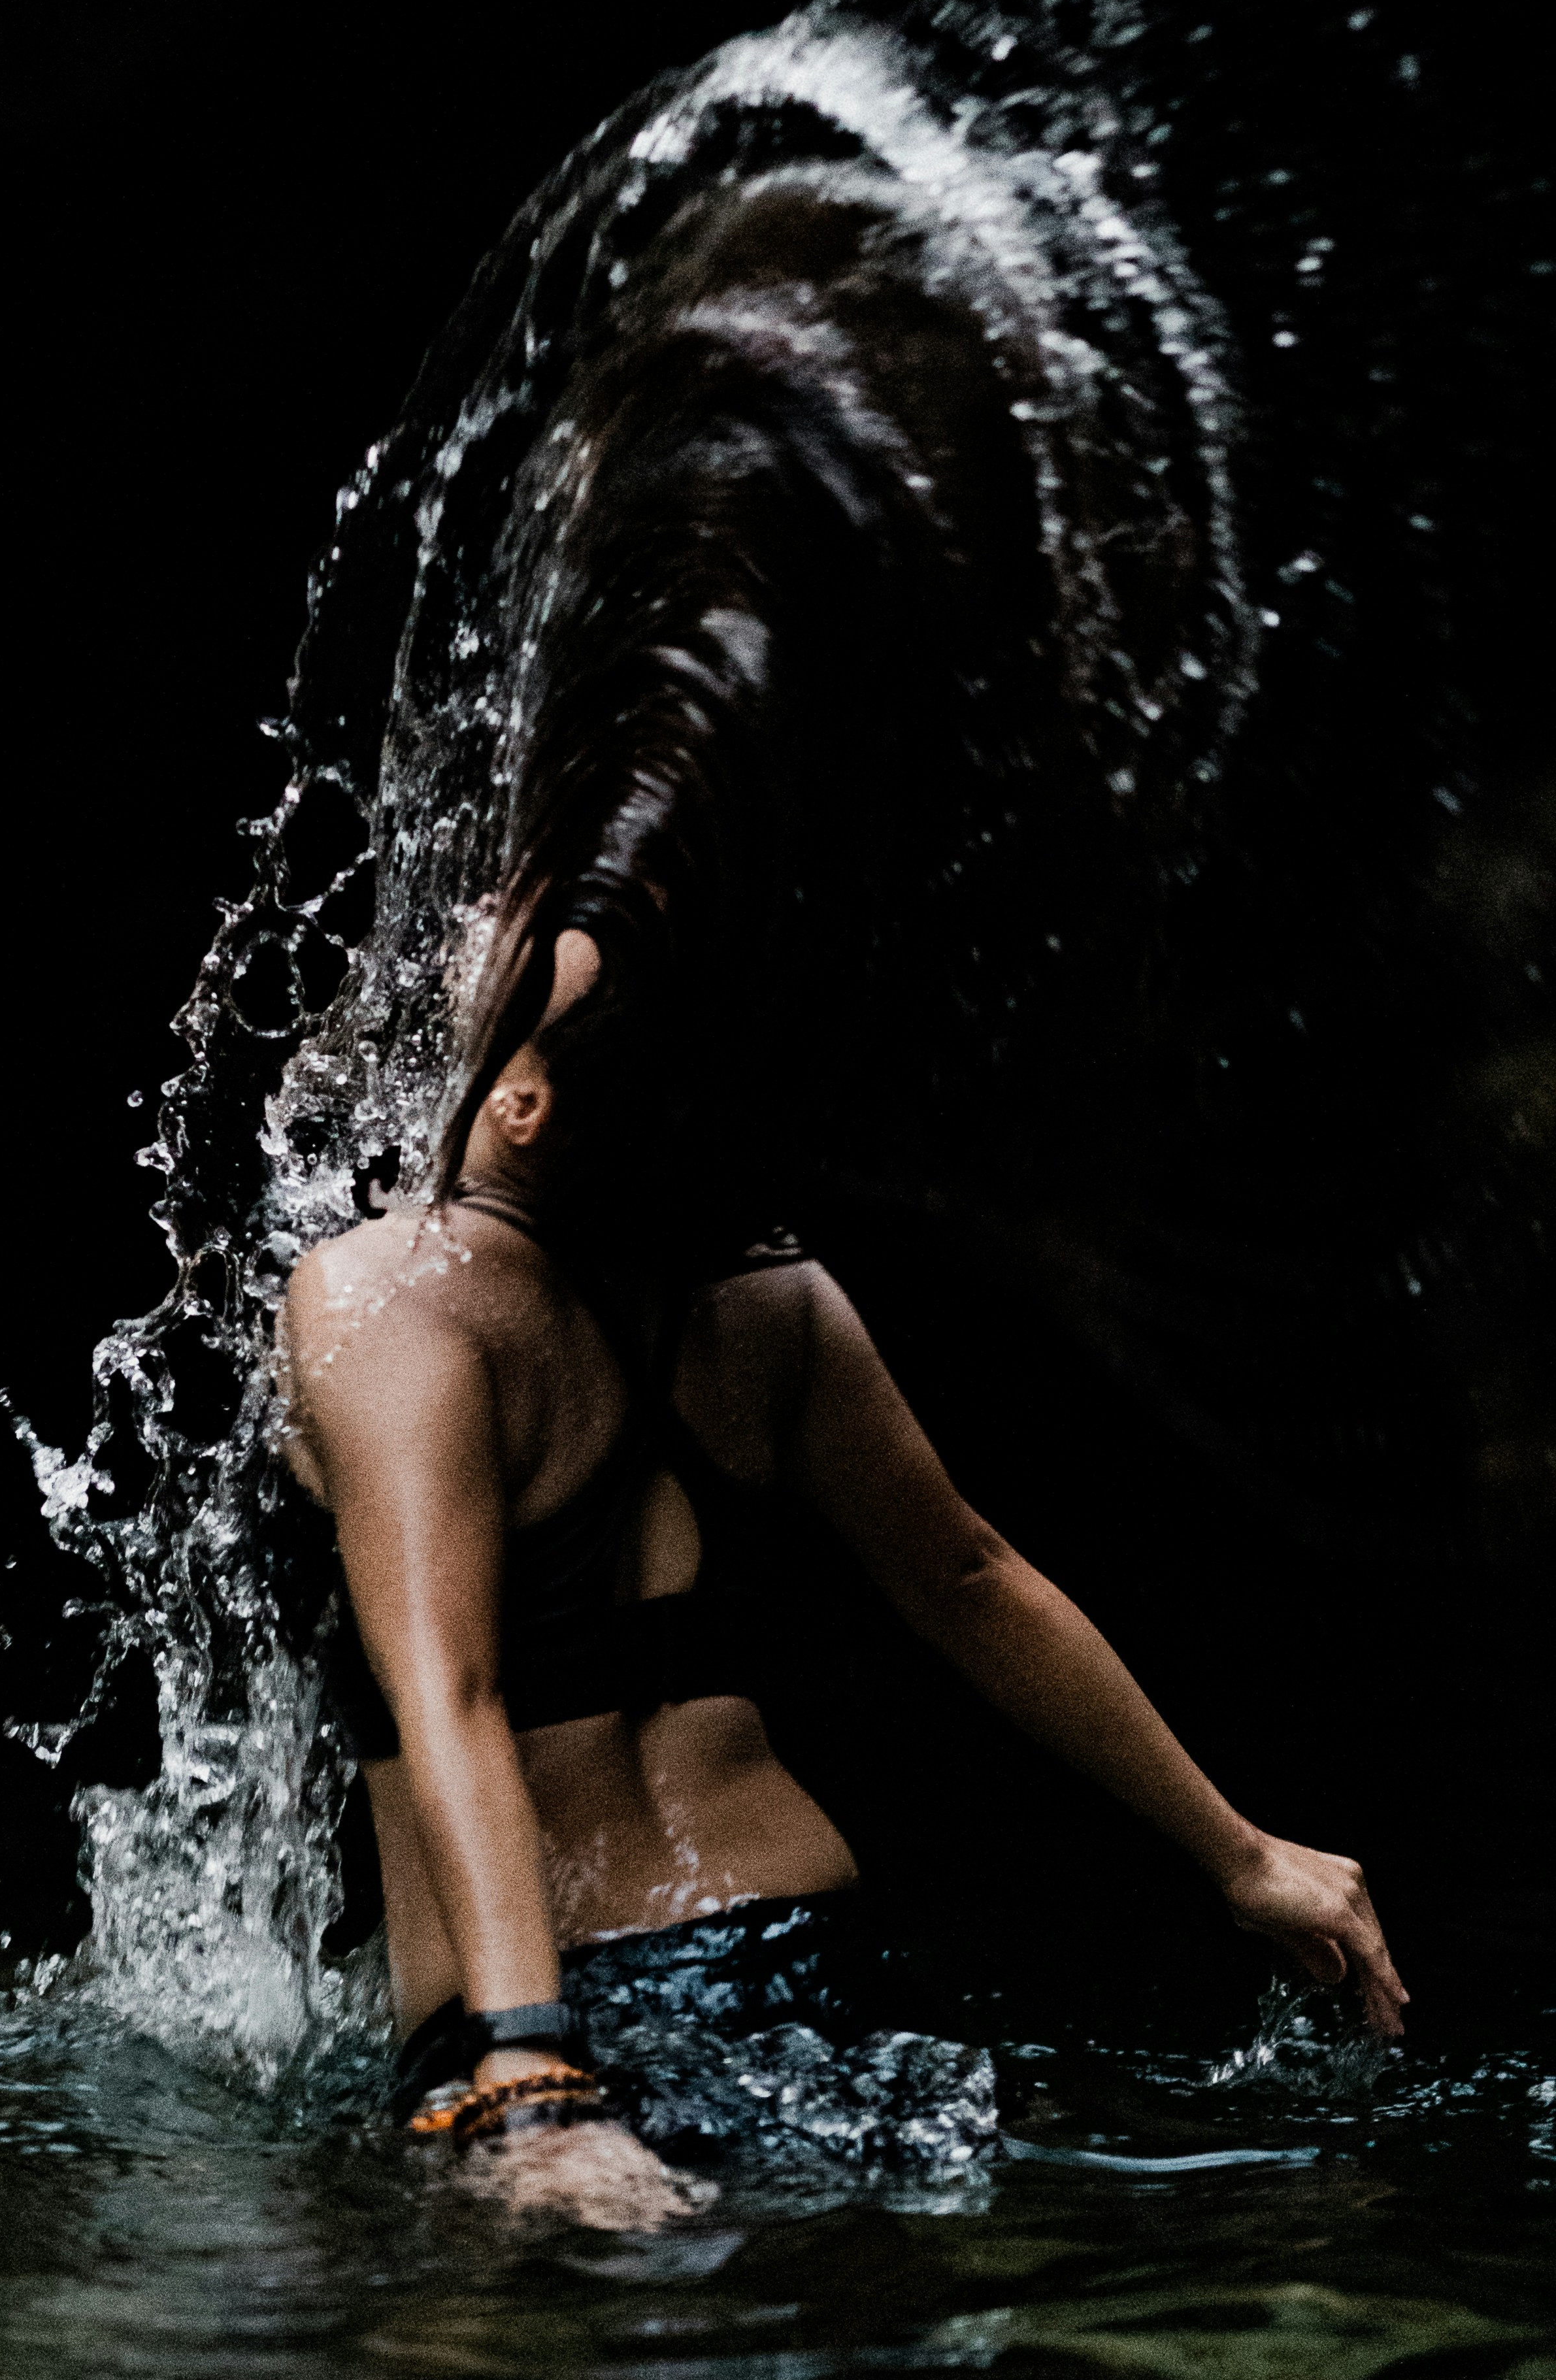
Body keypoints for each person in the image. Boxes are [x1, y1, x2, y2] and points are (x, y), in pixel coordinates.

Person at [276, 922, 1406, 2226]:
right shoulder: (762, 1296)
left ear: (522, 1105)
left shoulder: (385, 1303)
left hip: (572, 2004)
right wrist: (1241, 1853)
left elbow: (453, 1697)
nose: (503, 917)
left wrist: (530, 2073)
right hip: (821, 1959)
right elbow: (968, 1579)